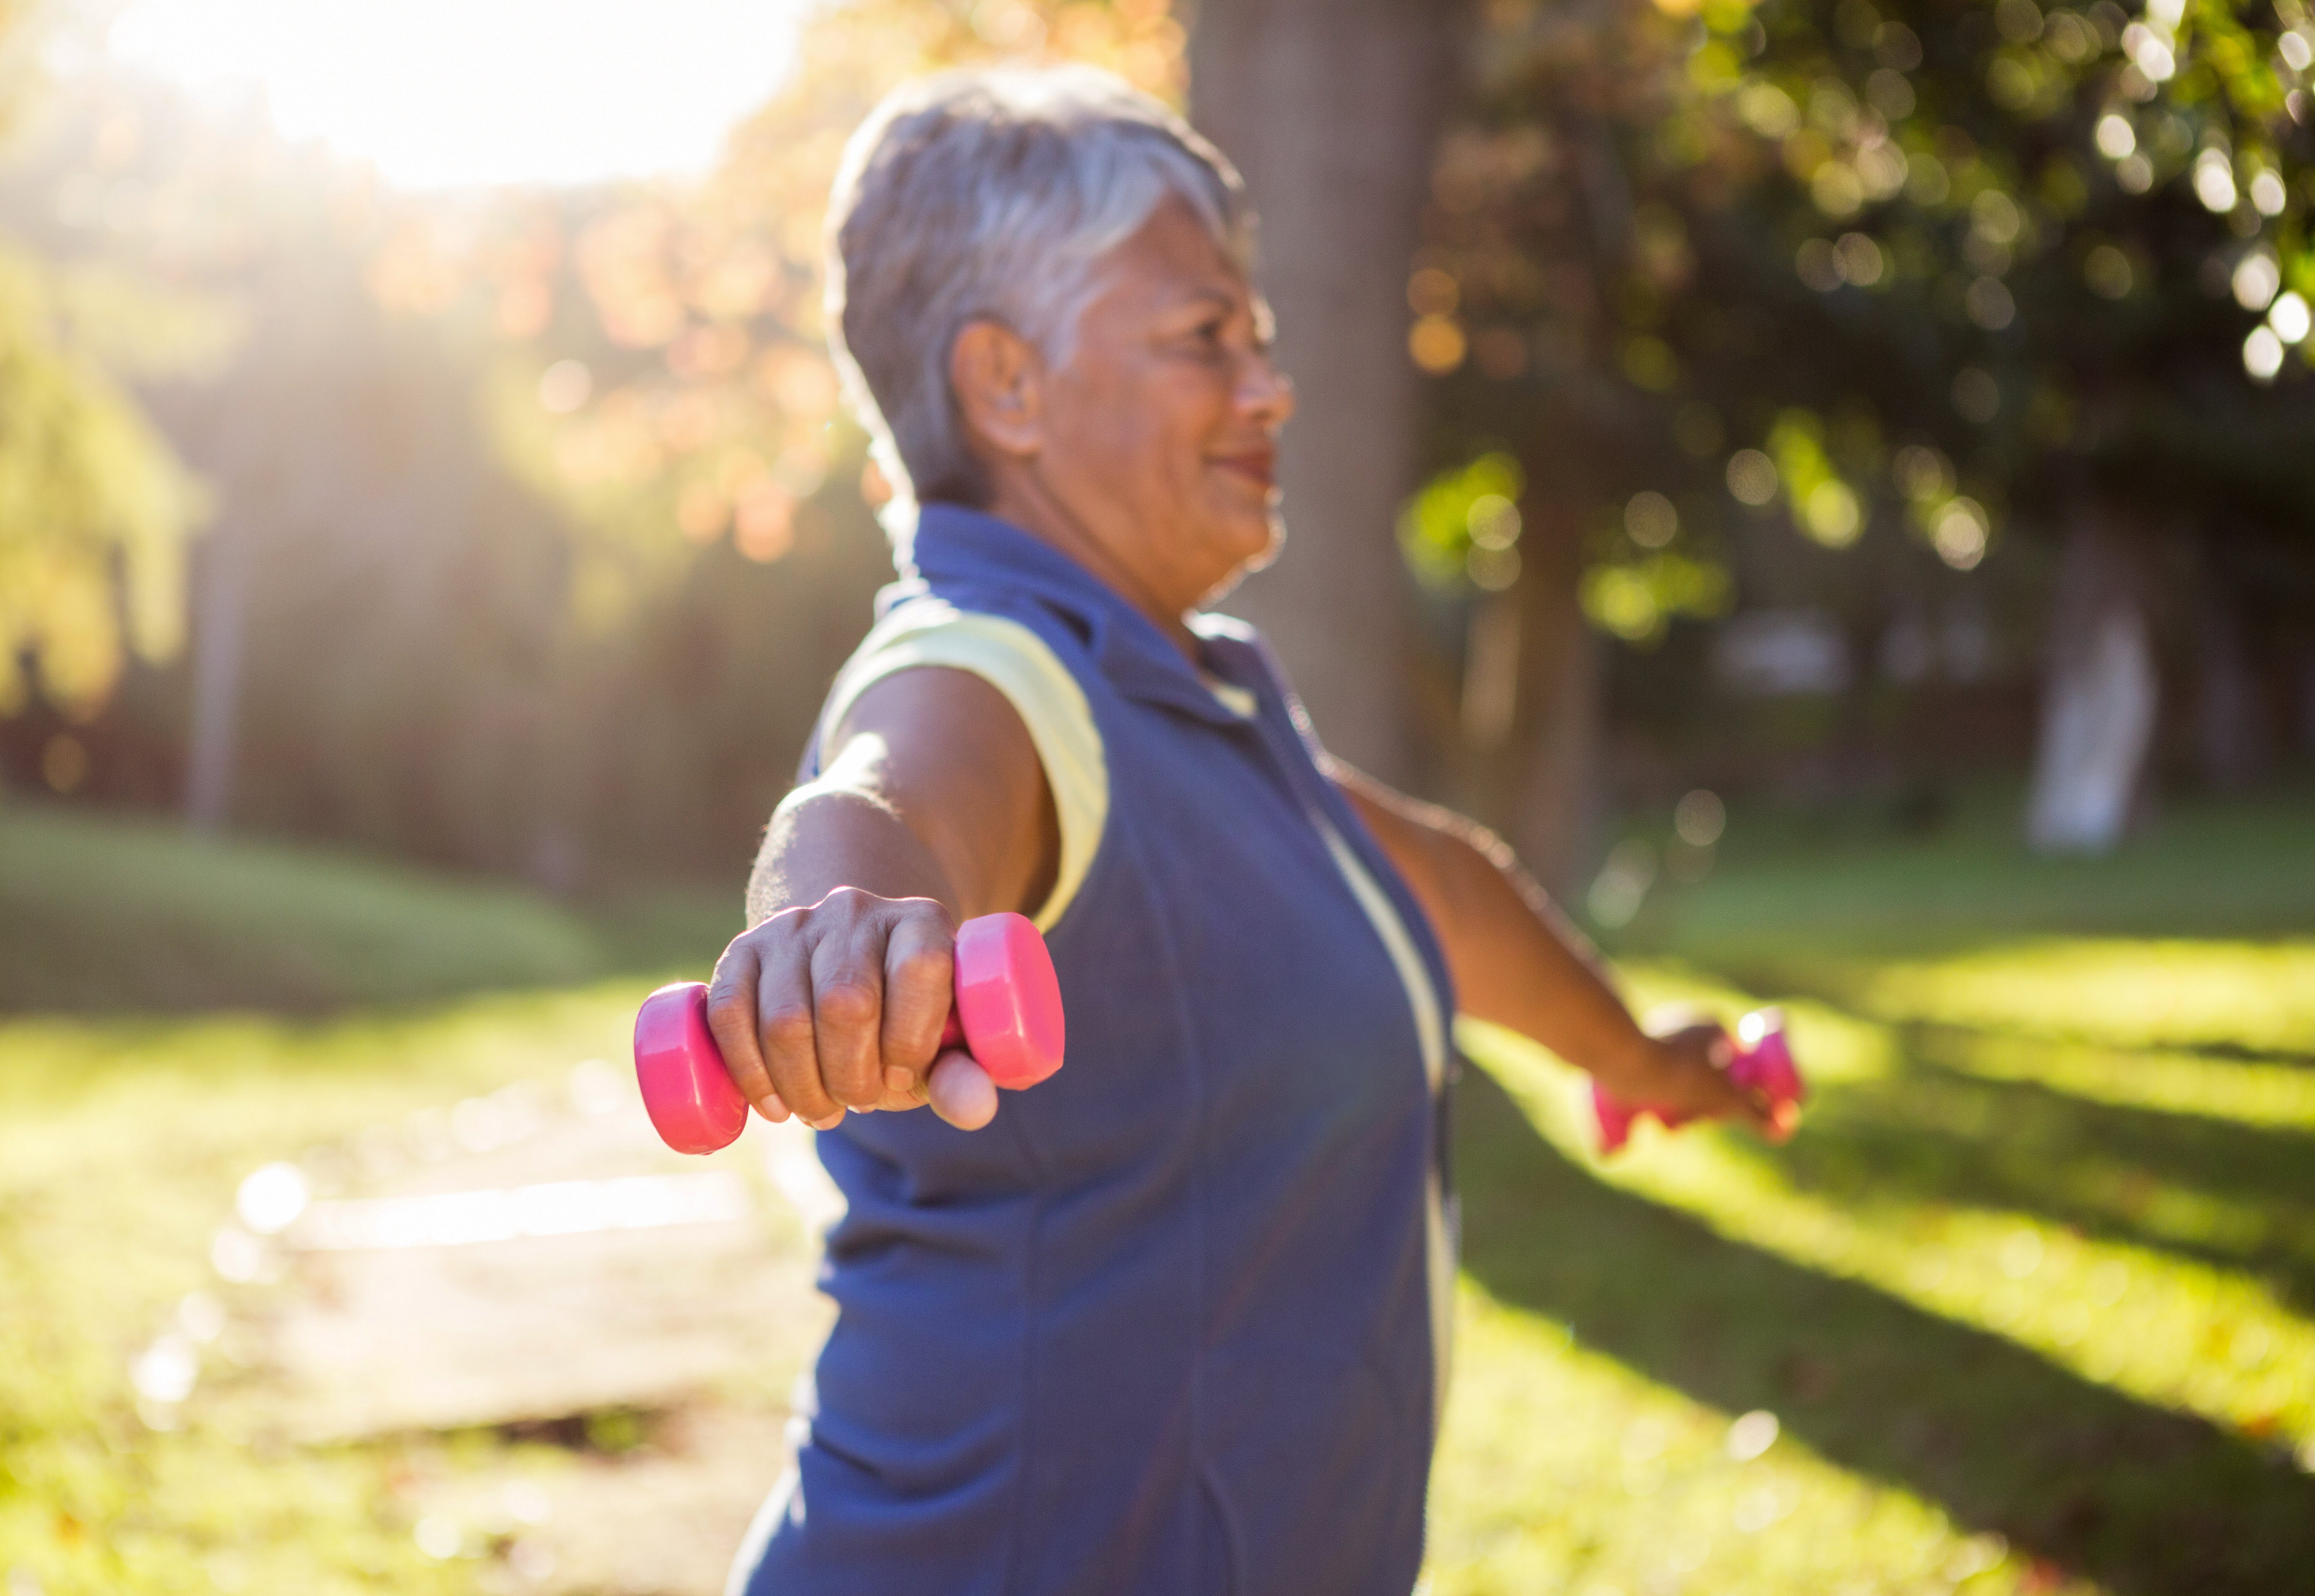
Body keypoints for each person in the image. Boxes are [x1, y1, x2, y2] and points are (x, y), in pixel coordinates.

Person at [717, 65, 1788, 1596]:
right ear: (1006, 385)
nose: (1270, 389)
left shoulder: (1187, 707)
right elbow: (888, 793)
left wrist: (1638, 1061)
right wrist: (836, 928)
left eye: (1262, 338)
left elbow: (1436, 890)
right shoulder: (993, 668)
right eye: (1205, 339)